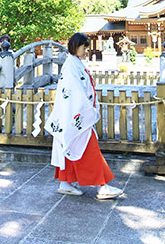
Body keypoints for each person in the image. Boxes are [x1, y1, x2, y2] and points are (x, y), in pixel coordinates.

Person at [46, 33, 124, 199]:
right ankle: (101, 186)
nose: (85, 50)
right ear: (75, 46)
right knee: (89, 149)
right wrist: (88, 109)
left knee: (69, 146)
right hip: (76, 115)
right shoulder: (71, 65)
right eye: (83, 47)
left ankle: (65, 182)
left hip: (73, 114)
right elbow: (74, 91)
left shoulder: (74, 63)